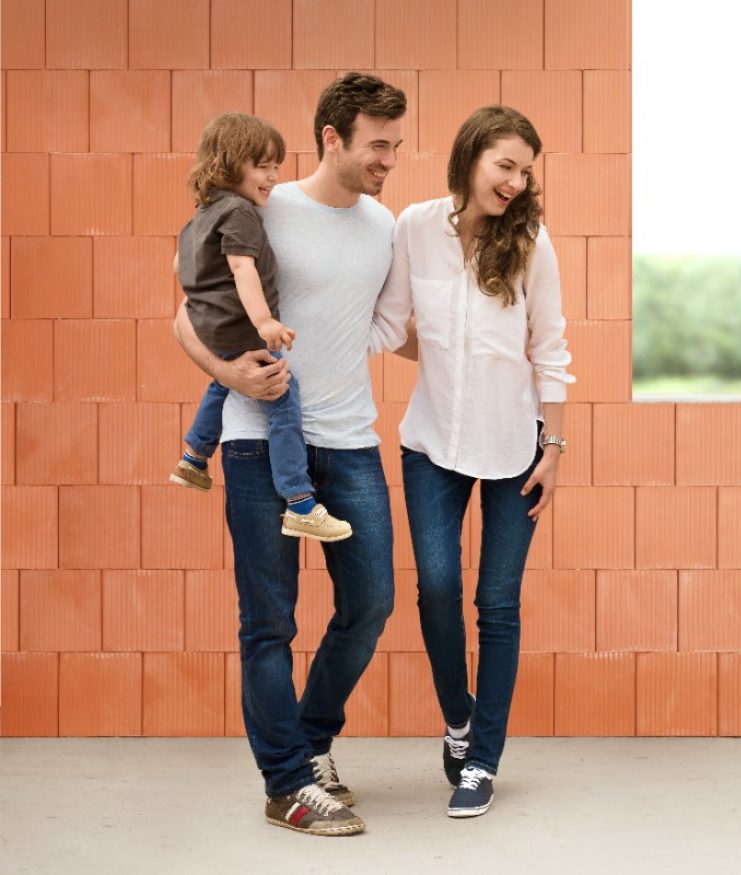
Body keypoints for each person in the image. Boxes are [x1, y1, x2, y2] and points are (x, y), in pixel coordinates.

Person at [173, 72, 407, 837]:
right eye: (378, 144)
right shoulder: (265, 209)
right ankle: (287, 785)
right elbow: (187, 314)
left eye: (396, 145)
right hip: (255, 437)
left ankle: (310, 742)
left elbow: (387, 326)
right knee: (268, 622)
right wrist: (225, 370)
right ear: (332, 137)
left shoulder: (384, 226)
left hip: (351, 438)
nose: (389, 160)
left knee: (371, 602)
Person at [370, 105, 574, 818]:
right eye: (505, 165)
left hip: (514, 444)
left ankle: (482, 758)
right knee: (435, 585)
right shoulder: (414, 227)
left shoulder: (532, 244)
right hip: (431, 442)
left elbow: (550, 349)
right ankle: (458, 718)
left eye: (525, 170)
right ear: (470, 159)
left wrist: (554, 448)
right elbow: (392, 325)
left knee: (498, 604)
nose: (515, 182)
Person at [169, 112, 351, 543]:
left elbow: (179, 265)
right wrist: (264, 321)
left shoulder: (203, 213)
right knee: (284, 399)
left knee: (222, 384)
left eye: (276, 166)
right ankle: (300, 502)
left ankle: (194, 457)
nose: (272, 177)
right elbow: (241, 266)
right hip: (240, 328)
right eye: (262, 166)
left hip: (213, 326)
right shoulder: (240, 212)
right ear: (231, 163)